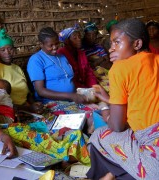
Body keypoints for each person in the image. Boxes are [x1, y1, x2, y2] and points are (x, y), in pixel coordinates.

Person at [87, 18, 159, 179]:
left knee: (99, 136)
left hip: (155, 162)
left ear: (137, 44)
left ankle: (108, 176)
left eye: (117, 43)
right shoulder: (156, 60)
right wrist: (107, 97)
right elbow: (140, 101)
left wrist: (104, 107)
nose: (111, 49)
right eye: (111, 44)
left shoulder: (120, 68)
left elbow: (118, 126)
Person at [0, 29, 43, 114]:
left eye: (10, 49)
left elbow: (27, 94)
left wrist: (34, 104)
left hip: (27, 109)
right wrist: (29, 108)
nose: (7, 53)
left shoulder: (17, 68)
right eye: (3, 50)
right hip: (9, 113)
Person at [27, 27, 87, 104]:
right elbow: (40, 91)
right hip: (51, 103)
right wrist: (70, 96)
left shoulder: (62, 57)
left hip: (71, 100)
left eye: (56, 43)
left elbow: (69, 79)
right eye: (50, 45)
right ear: (41, 44)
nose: (55, 47)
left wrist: (80, 93)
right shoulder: (36, 60)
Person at [82, 22, 112, 92]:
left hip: (104, 71)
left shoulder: (98, 46)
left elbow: (107, 59)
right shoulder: (81, 48)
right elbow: (87, 64)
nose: (92, 38)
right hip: (92, 75)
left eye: (94, 35)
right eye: (89, 35)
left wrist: (95, 61)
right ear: (85, 35)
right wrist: (101, 59)